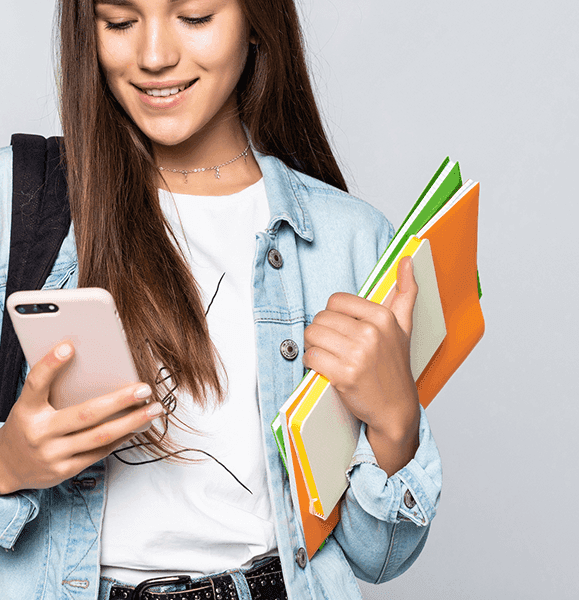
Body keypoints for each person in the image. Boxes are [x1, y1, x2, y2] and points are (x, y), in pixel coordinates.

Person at [0, 0, 442, 598]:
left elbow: (378, 555)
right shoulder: (21, 203)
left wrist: (396, 425)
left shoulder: (350, 237)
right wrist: (9, 464)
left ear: (256, 21)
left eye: (196, 17)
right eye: (120, 22)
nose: (155, 57)